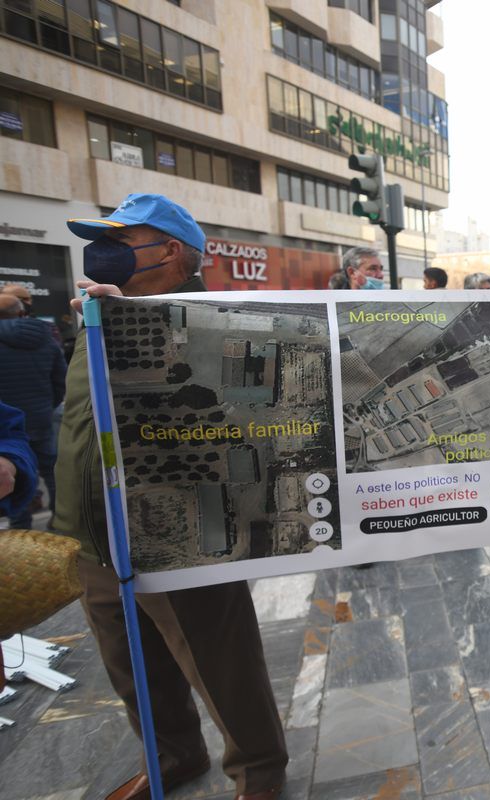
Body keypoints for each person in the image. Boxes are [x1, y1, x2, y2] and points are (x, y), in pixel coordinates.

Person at [58, 194, 288, 800]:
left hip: (181, 528)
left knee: (219, 659)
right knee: (131, 664)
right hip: (93, 531)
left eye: (120, 239)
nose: (102, 252)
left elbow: (245, 417)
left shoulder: (215, 315)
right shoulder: (98, 314)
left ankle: (259, 771)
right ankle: (174, 756)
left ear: (170, 250)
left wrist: (148, 324)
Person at [0, 293, 65, 528]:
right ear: (21, 313)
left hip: (5, 427)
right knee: (52, 472)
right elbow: (61, 379)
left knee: (12, 473)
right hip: (40, 418)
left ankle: (20, 527)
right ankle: (58, 521)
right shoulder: (45, 337)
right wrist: (48, 406)